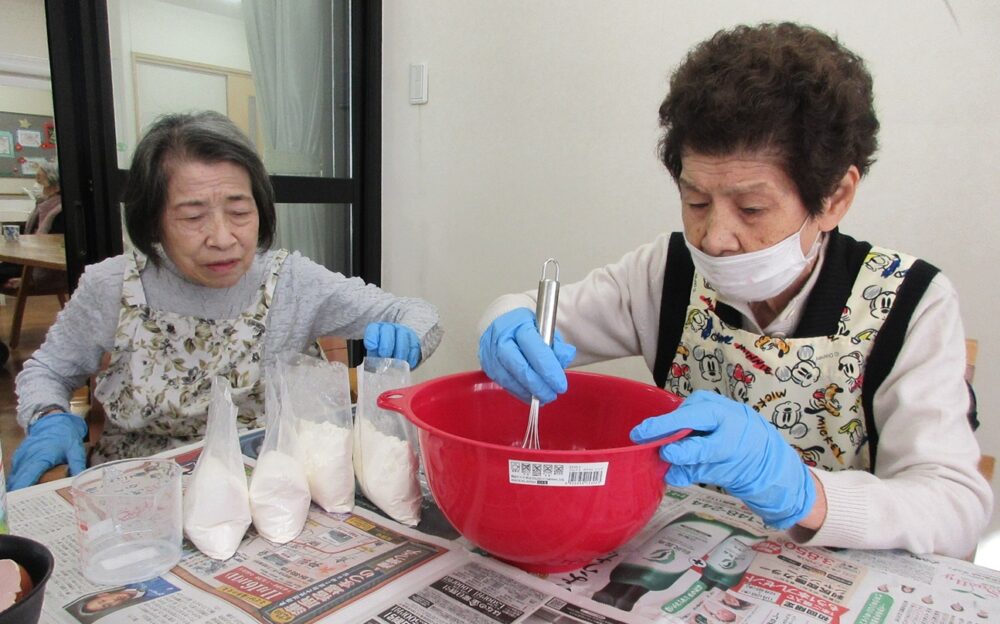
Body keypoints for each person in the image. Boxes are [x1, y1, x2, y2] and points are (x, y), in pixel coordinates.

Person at [478, 23, 991, 558]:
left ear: (835, 197)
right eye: (696, 201)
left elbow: (955, 509)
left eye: (751, 209)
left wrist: (801, 492)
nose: (714, 238)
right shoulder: (668, 272)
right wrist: (504, 318)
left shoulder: (910, 304)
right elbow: (536, 319)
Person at [9, 111, 442, 489]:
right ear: (152, 221)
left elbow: (418, 314)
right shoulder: (112, 286)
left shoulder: (291, 281)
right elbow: (47, 370)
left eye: (239, 212)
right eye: (193, 216)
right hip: (142, 494)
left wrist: (409, 337)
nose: (222, 238)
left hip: (269, 486)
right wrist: (49, 416)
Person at [0, 160, 64, 289]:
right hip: (26, 261)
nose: (37, 185)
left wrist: (29, 279)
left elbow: (53, 248)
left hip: (38, 267)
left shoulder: (59, 211)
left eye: (40, 181)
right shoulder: (43, 205)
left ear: (54, 184)